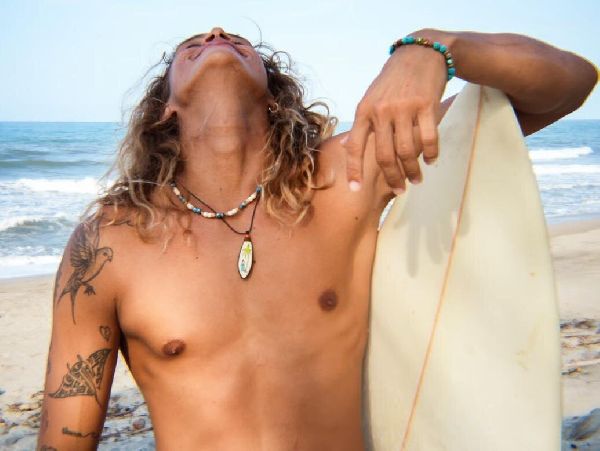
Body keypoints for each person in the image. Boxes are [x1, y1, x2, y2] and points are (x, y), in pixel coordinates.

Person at [37, 26, 597, 450]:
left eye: (237, 40)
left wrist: (434, 48)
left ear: (273, 97)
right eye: (191, 44)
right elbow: (65, 439)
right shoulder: (112, 243)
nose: (215, 33)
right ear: (166, 109)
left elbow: (567, 86)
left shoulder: (346, 177)